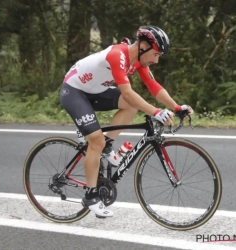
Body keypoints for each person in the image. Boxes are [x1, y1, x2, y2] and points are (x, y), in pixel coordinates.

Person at [60, 25, 193, 218]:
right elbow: (128, 92)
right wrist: (156, 112)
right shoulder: (118, 55)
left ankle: (107, 144)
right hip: (74, 91)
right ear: (143, 46)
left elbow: (153, 86)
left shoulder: (137, 60)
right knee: (96, 141)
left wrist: (176, 107)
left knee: (131, 107)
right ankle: (91, 196)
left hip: (95, 91)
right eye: (155, 54)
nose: (155, 60)